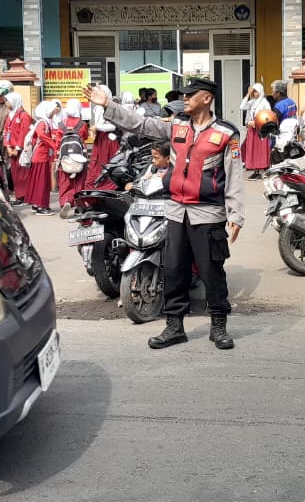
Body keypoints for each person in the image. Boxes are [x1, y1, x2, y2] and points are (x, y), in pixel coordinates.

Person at [86, 78, 243, 351]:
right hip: (174, 212)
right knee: (173, 270)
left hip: (207, 214)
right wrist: (108, 105)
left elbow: (234, 176)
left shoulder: (226, 133)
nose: (185, 99)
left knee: (212, 272)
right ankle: (174, 327)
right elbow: (141, 124)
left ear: (206, 99)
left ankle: (218, 326)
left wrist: (236, 213)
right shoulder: (177, 126)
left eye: (190, 95)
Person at [23, 100, 61, 215]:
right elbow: (42, 135)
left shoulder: (43, 122)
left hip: (40, 156)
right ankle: (41, 205)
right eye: (50, 110)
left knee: (38, 182)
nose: (52, 112)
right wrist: (54, 146)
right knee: (41, 183)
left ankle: (37, 204)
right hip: (41, 156)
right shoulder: (43, 123)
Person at [57, 99, 89, 217]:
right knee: (80, 181)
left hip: (65, 156)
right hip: (79, 156)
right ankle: (79, 206)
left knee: (65, 181)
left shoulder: (61, 124)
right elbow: (85, 137)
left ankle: (66, 201)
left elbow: (57, 141)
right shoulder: (82, 124)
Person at [2, 91, 31, 206]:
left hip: (21, 150)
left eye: (7, 101)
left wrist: (17, 148)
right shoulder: (10, 115)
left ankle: (25, 197)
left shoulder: (23, 116)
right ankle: (19, 196)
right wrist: (8, 146)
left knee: (23, 174)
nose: (6, 103)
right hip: (12, 149)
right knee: (16, 174)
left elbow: (24, 133)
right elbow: (6, 131)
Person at [241, 83, 272, 180]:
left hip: (261, 129)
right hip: (252, 129)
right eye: (253, 91)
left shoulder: (264, 103)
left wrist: (257, 122)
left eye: (255, 91)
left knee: (260, 150)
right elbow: (242, 106)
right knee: (252, 149)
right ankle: (255, 171)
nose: (254, 93)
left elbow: (268, 116)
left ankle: (261, 171)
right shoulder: (253, 102)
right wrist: (248, 94)